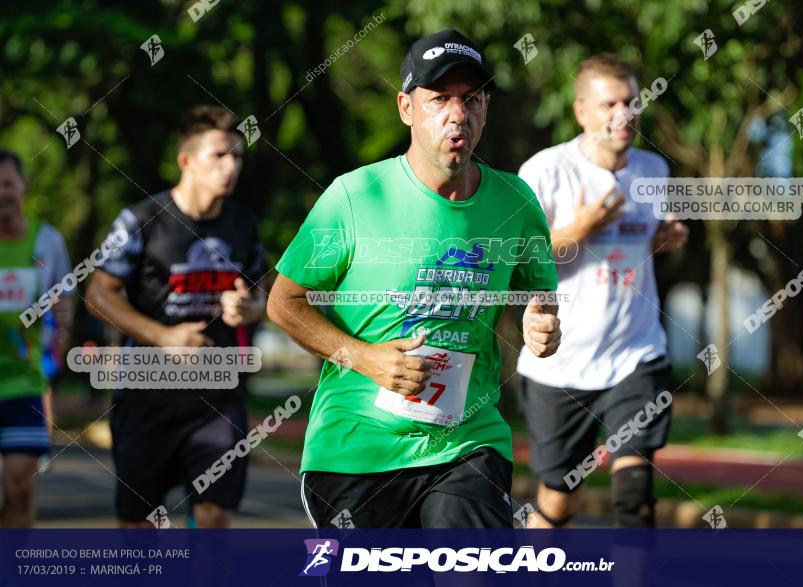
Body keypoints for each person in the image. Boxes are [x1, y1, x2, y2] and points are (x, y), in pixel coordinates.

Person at [268, 29, 561, 529]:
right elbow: (284, 303)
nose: (456, 113)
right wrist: (366, 359)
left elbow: (540, 299)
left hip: (468, 442)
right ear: (406, 107)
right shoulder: (355, 197)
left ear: (485, 107)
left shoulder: (516, 203)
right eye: (439, 99)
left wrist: (543, 326)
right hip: (357, 450)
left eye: (470, 99)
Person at [515, 54, 689, 528]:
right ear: (581, 112)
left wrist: (666, 240)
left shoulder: (654, 170)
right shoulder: (546, 171)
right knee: (558, 500)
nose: (623, 114)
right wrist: (581, 228)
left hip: (636, 351)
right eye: (609, 103)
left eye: (631, 101)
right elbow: (518, 260)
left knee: (635, 495)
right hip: (560, 363)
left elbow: (644, 243)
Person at [85, 106, 267, 528]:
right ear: (186, 160)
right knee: (140, 526)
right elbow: (97, 294)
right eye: (219, 156)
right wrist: (163, 336)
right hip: (146, 393)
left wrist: (249, 308)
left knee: (214, 515)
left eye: (237, 157)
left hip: (217, 396)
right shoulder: (141, 221)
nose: (231, 167)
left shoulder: (244, 225)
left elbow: (260, 296)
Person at [0, 149, 73, 527]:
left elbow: (65, 300)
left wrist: (62, 327)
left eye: (8, 183)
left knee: (20, 485)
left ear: (23, 186)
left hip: (24, 380)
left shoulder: (48, 242)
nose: (2, 193)